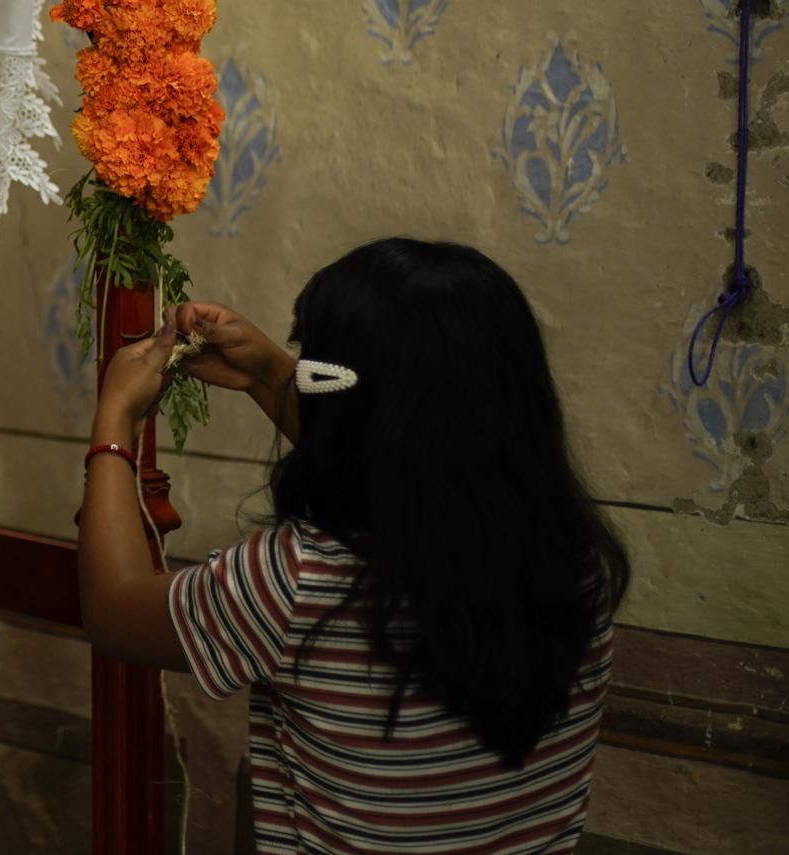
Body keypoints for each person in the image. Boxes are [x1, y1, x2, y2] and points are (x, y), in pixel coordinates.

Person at [78, 238, 629, 853]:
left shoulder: (300, 579)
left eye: (308, 358)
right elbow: (402, 463)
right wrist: (271, 375)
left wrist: (115, 422)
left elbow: (111, 608)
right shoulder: (576, 564)